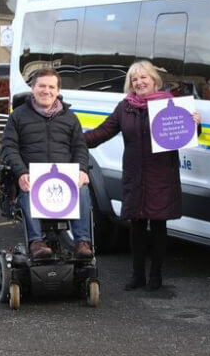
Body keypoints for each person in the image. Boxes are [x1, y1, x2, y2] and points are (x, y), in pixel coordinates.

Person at [84, 60, 201, 291]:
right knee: (136, 226)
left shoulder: (171, 105)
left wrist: (196, 125)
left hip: (161, 176)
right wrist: (74, 139)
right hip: (134, 175)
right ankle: (137, 276)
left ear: (154, 79)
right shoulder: (125, 107)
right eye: (134, 79)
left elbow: (186, 136)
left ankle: (156, 277)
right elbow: (103, 132)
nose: (139, 82)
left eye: (143, 77)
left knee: (158, 227)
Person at [0, 68, 93, 259]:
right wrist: (21, 172)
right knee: (27, 187)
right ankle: (36, 242)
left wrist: (82, 170)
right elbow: (8, 148)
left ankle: (82, 242)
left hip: (63, 179)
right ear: (33, 88)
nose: (46, 91)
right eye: (41, 86)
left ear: (58, 91)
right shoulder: (18, 116)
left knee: (82, 188)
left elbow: (80, 148)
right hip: (33, 177)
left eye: (51, 87)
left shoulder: (70, 118)